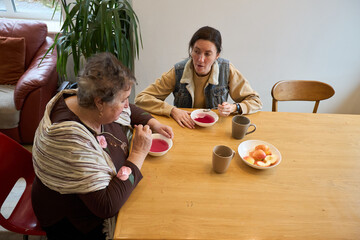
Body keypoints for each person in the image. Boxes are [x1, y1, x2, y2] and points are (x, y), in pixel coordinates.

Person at [31, 52, 173, 240]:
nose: (126, 105)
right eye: (122, 100)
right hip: (73, 221)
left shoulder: (85, 103)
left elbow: (129, 110)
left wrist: (153, 122)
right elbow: (106, 206)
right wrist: (137, 154)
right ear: (99, 102)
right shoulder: (71, 142)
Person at [135, 26, 262, 129]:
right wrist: (172, 110)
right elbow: (141, 99)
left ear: (217, 55)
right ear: (191, 51)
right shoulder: (178, 71)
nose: (200, 59)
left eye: (207, 54)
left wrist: (234, 107)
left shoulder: (226, 69)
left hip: (216, 130)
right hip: (185, 128)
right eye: (196, 51)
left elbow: (255, 101)